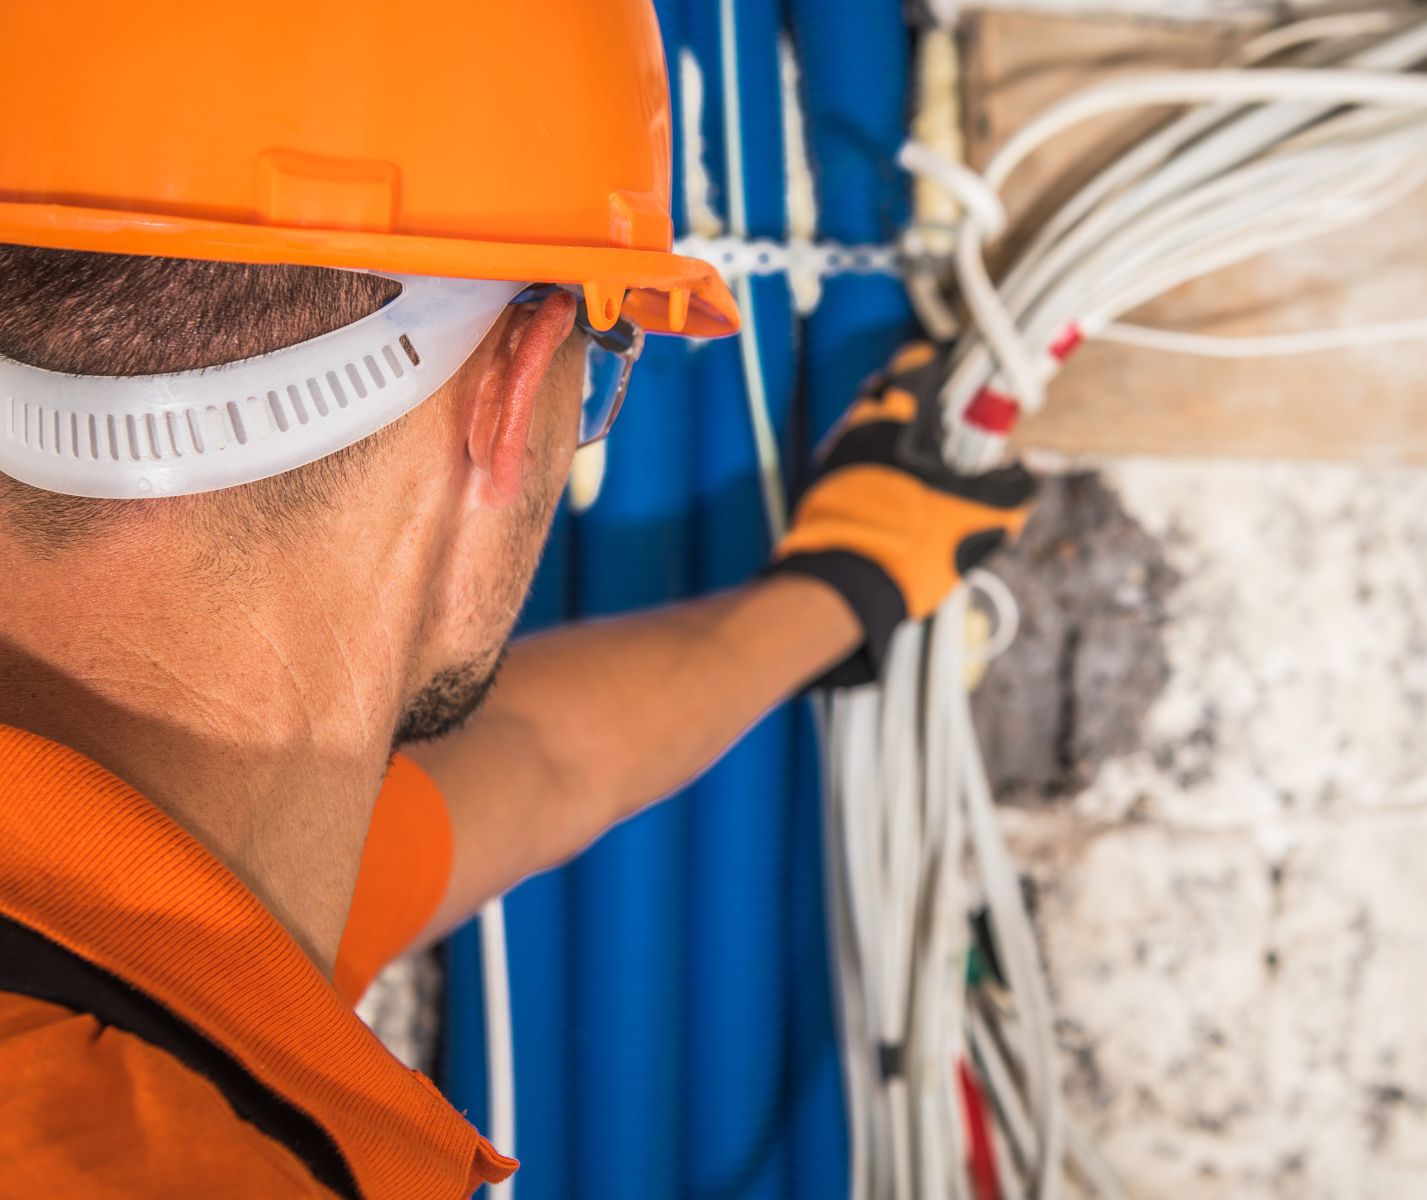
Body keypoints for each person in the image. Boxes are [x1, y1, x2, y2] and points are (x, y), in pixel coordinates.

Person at [0, 3, 1033, 1197]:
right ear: (512, 387)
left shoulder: (148, 899)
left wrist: (838, 585)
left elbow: (539, 762)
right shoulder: (161, 1136)